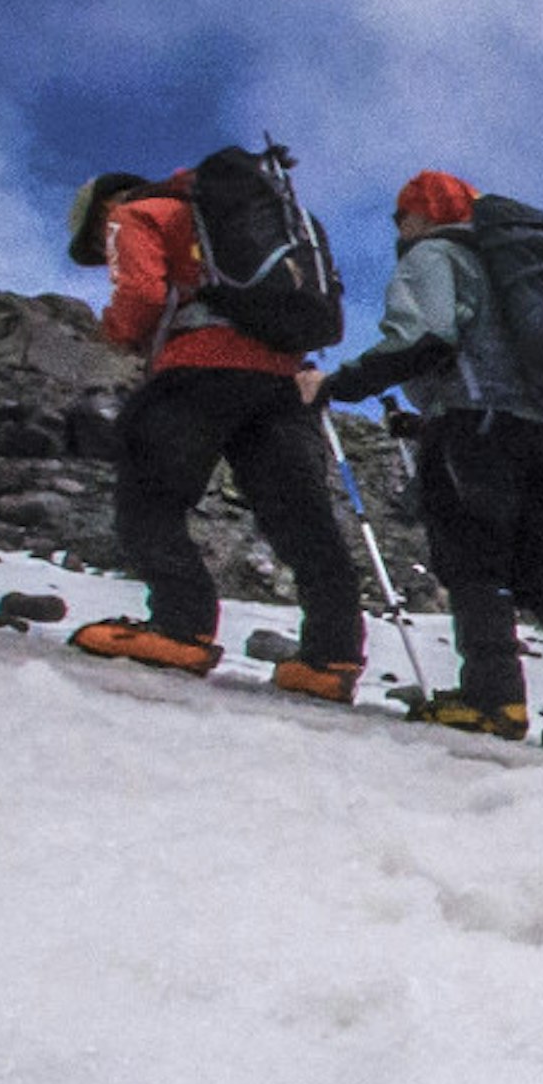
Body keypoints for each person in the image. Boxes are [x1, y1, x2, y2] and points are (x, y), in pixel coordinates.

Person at [305, 171, 543, 748]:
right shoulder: (521, 269)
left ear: (420, 214)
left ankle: (492, 700)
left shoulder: (433, 254)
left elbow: (425, 338)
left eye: (401, 215)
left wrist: (337, 384)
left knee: (474, 567)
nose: (399, 227)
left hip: (479, 430)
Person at [60, 167, 366, 698]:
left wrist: (118, 334)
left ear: (102, 208)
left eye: (94, 242)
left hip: (201, 367)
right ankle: (331, 657)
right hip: (282, 379)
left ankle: (183, 627)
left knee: (149, 497)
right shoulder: (263, 219)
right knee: (302, 518)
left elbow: (141, 296)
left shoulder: (135, 212)